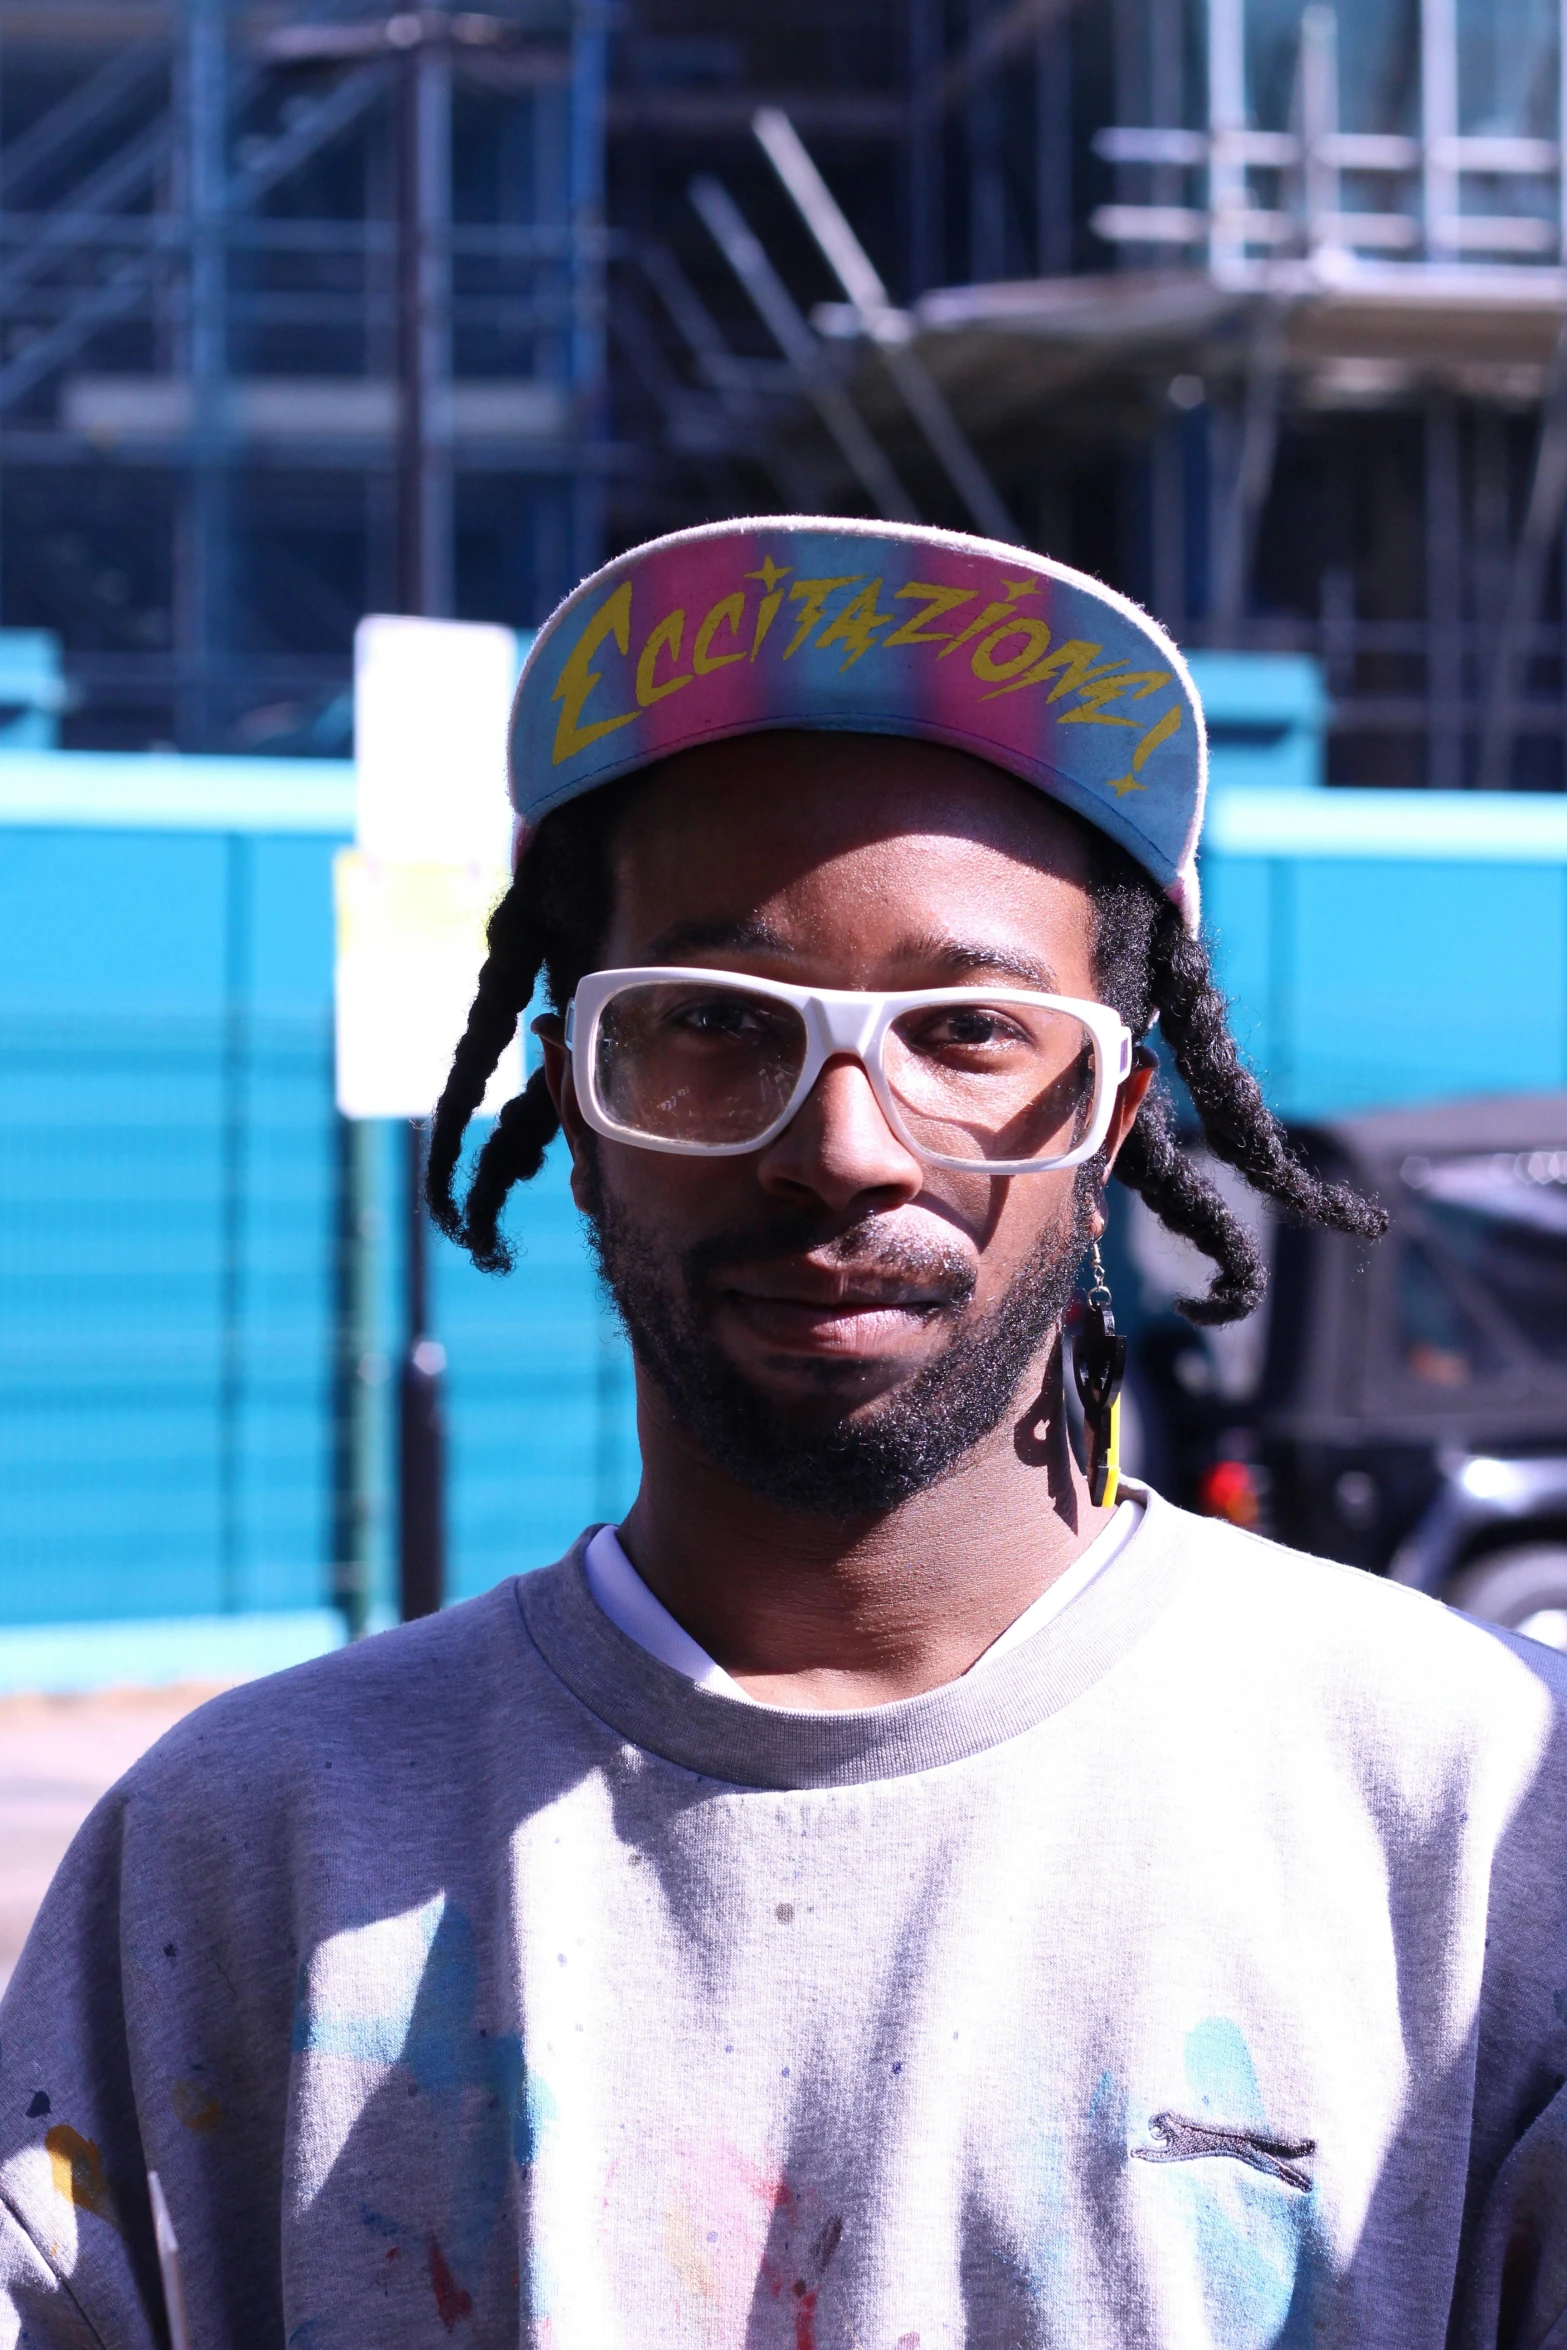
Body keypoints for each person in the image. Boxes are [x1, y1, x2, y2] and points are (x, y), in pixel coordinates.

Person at [3, 517, 1564, 2349]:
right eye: (711, 1025)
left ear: (1115, 1109)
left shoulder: (1465, 1818)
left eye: (967, 1028)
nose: (845, 1142)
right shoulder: (244, 1848)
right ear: (572, 1097)